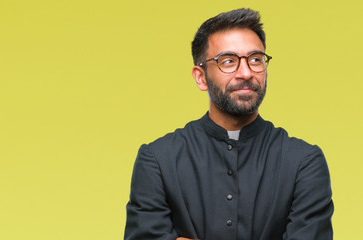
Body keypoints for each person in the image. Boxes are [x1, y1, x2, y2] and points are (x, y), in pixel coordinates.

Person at [124, 8, 333, 240]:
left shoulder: (304, 162)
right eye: (228, 61)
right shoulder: (158, 159)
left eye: (255, 59)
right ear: (200, 77)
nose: (246, 72)